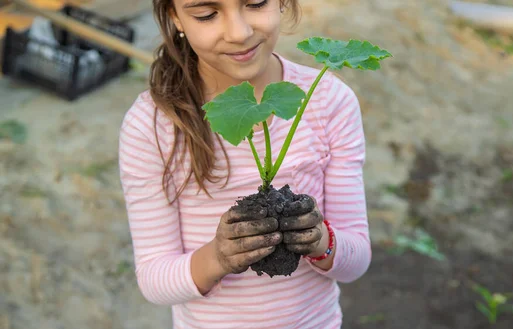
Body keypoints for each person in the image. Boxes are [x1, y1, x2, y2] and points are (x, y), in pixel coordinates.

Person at [118, 0, 371, 328]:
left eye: (255, 3)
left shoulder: (328, 101)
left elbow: (357, 259)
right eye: (207, 14)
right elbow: (154, 279)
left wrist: (320, 239)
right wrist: (218, 258)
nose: (239, 33)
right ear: (175, 17)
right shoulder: (152, 126)